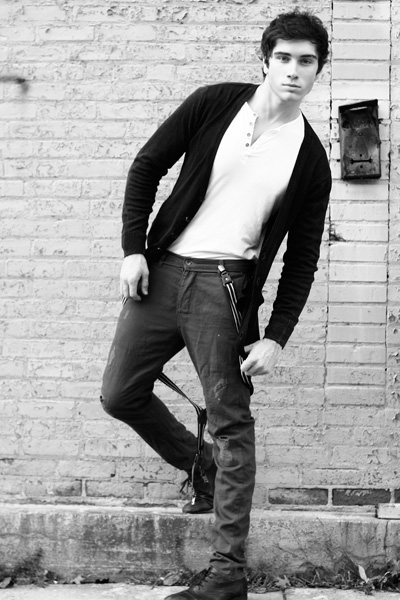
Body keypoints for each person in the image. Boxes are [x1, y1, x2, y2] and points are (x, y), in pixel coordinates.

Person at [100, 9, 331, 600]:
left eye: (306, 61)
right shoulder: (214, 103)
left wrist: (275, 336)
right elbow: (147, 165)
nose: (293, 70)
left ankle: (227, 573)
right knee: (120, 394)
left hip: (224, 288)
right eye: (283, 58)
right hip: (163, 272)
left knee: (231, 421)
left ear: (318, 70)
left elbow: (302, 258)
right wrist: (133, 249)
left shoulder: (309, 159)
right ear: (265, 60)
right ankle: (201, 467)